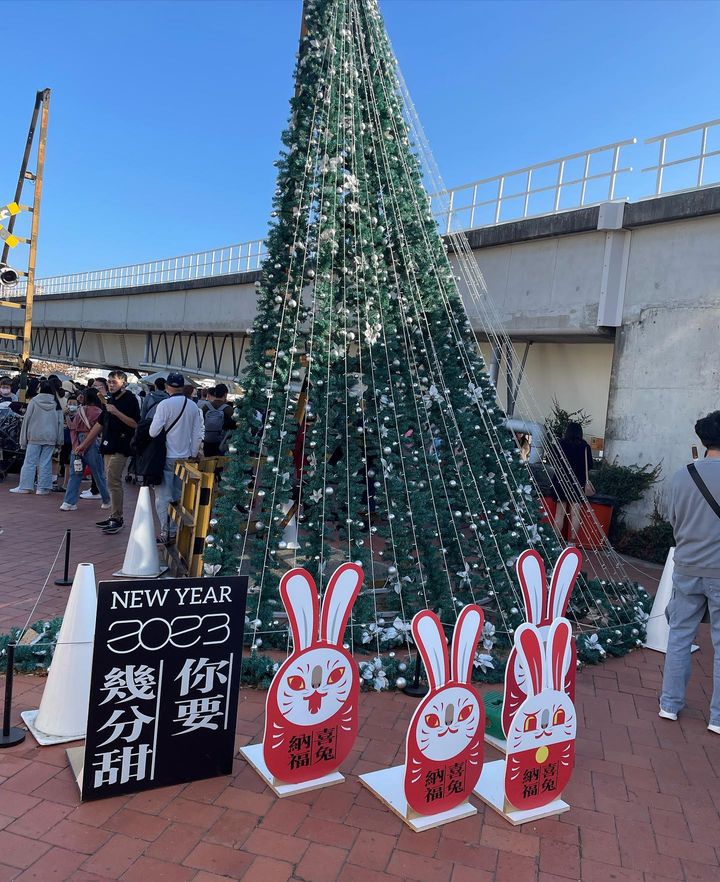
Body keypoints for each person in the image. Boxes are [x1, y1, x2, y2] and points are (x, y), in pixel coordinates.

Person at [660, 411, 720, 734]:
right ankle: (717, 717)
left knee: (679, 636)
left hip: (686, 567)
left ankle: (669, 704)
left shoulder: (681, 476)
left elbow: (672, 519)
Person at [82, 370, 140, 534]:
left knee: (113, 480)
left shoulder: (130, 399)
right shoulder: (110, 400)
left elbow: (135, 423)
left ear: (124, 383)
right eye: (109, 382)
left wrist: (116, 412)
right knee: (110, 480)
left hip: (121, 446)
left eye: (114, 382)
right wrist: (85, 444)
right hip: (107, 445)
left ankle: (117, 518)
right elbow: (100, 424)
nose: (110, 385)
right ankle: (114, 515)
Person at [149, 372, 204, 544]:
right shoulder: (193, 406)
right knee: (180, 495)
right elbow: (197, 435)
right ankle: (179, 529)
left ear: (167, 386)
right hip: (186, 458)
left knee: (163, 497)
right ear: (182, 386)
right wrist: (193, 454)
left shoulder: (164, 405)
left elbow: (153, 432)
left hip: (166, 456)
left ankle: (167, 531)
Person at [60, 388, 111, 511]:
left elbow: (73, 429)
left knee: (75, 474)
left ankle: (68, 502)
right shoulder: (99, 411)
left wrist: (76, 446)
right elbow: (100, 431)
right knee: (98, 474)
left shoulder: (80, 411)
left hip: (77, 443)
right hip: (92, 442)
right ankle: (106, 500)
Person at [10, 381, 64, 495]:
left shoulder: (34, 401)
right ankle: (43, 488)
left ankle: (25, 486)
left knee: (30, 461)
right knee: (46, 462)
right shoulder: (56, 403)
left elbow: (27, 420)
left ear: (40, 388)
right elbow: (60, 423)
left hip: (34, 436)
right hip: (51, 437)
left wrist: (23, 440)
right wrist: (60, 441)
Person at [551, 421, 593, 542]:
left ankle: (556, 542)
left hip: (561, 481)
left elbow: (552, 461)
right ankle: (572, 543)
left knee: (559, 513)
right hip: (578, 483)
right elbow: (589, 465)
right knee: (575, 513)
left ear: (567, 432)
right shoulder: (585, 447)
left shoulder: (560, 444)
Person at [202, 383, 236, 456]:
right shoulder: (228, 409)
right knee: (219, 464)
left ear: (215, 393)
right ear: (225, 394)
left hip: (207, 440)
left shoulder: (206, 407)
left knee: (207, 463)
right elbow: (234, 426)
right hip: (221, 442)